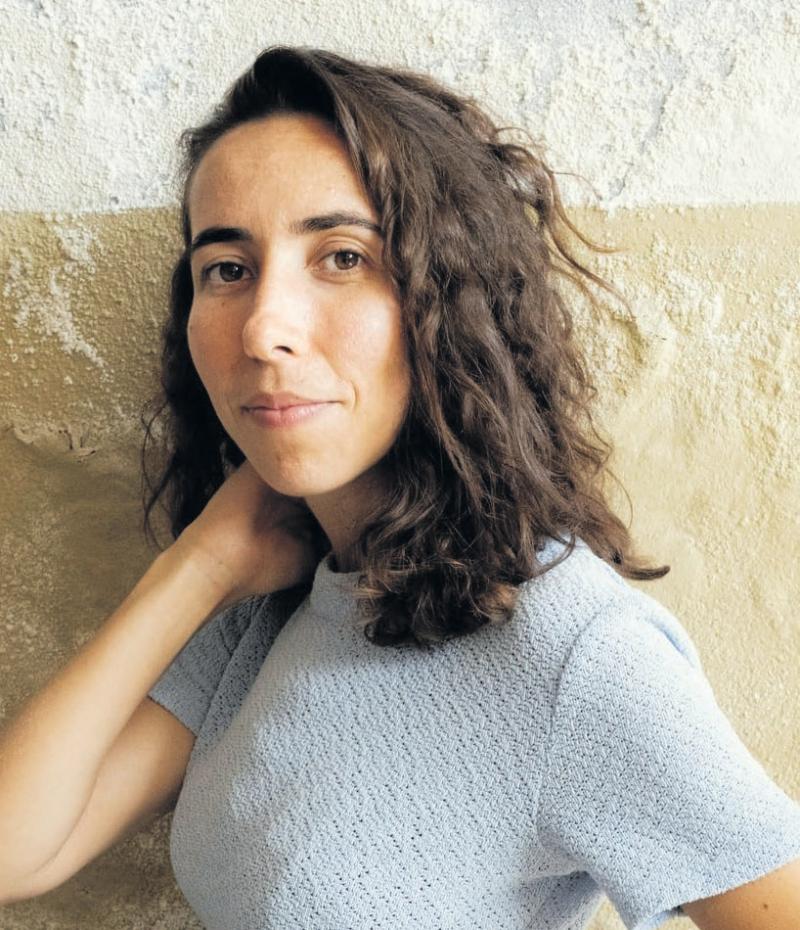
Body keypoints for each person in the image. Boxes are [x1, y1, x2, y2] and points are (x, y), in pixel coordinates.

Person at [1, 44, 799, 930]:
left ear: (448, 296)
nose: (264, 328)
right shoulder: (268, 603)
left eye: (342, 257)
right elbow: (15, 851)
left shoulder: (576, 652)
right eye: (227, 269)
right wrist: (200, 565)